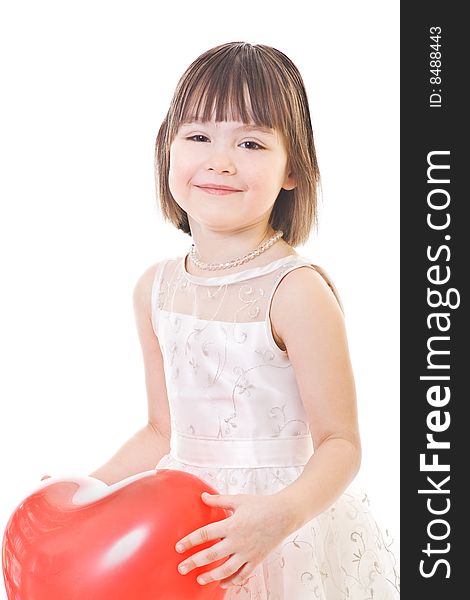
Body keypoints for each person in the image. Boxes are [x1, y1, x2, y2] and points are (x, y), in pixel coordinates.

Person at [89, 42, 400, 598]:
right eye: (199, 136)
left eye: (251, 142)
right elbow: (163, 430)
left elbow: (340, 441)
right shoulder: (155, 288)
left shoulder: (295, 291)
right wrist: (90, 490)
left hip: (281, 530)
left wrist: (280, 515)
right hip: (186, 529)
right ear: (168, 152)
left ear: (293, 170)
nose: (221, 160)